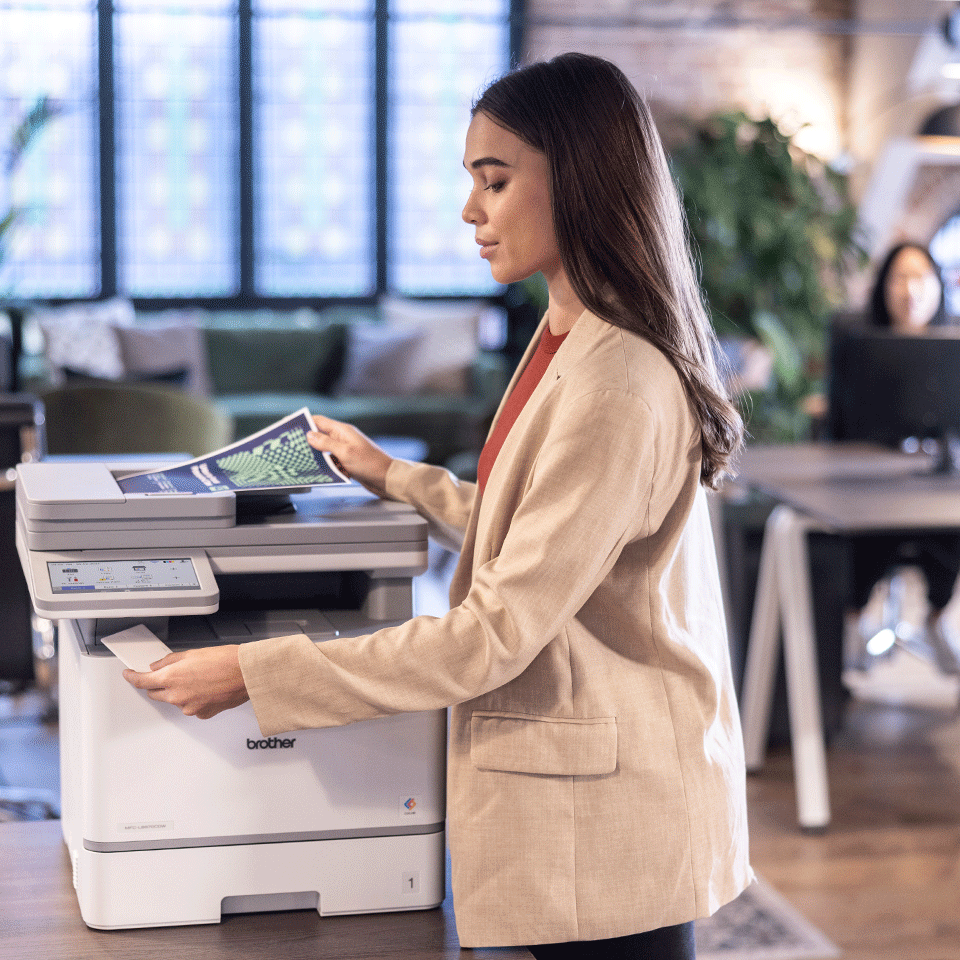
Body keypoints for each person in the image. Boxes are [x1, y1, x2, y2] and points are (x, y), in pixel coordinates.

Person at [123, 52, 753, 958]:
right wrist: (387, 473)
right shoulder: (564, 330)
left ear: (575, 182)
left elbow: (495, 631)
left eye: (495, 182)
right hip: (577, 792)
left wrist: (256, 675)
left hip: (610, 812)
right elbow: (539, 528)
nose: (471, 211)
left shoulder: (618, 382)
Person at [845, 241, 960, 674]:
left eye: (921, 277)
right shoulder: (859, 348)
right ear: (884, 287)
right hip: (870, 493)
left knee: (952, 527)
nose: (911, 290)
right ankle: (855, 621)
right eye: (900, 276)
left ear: (937, 287)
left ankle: (935, 619)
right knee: (868, 528)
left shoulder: (955, 348)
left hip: (937, 490)